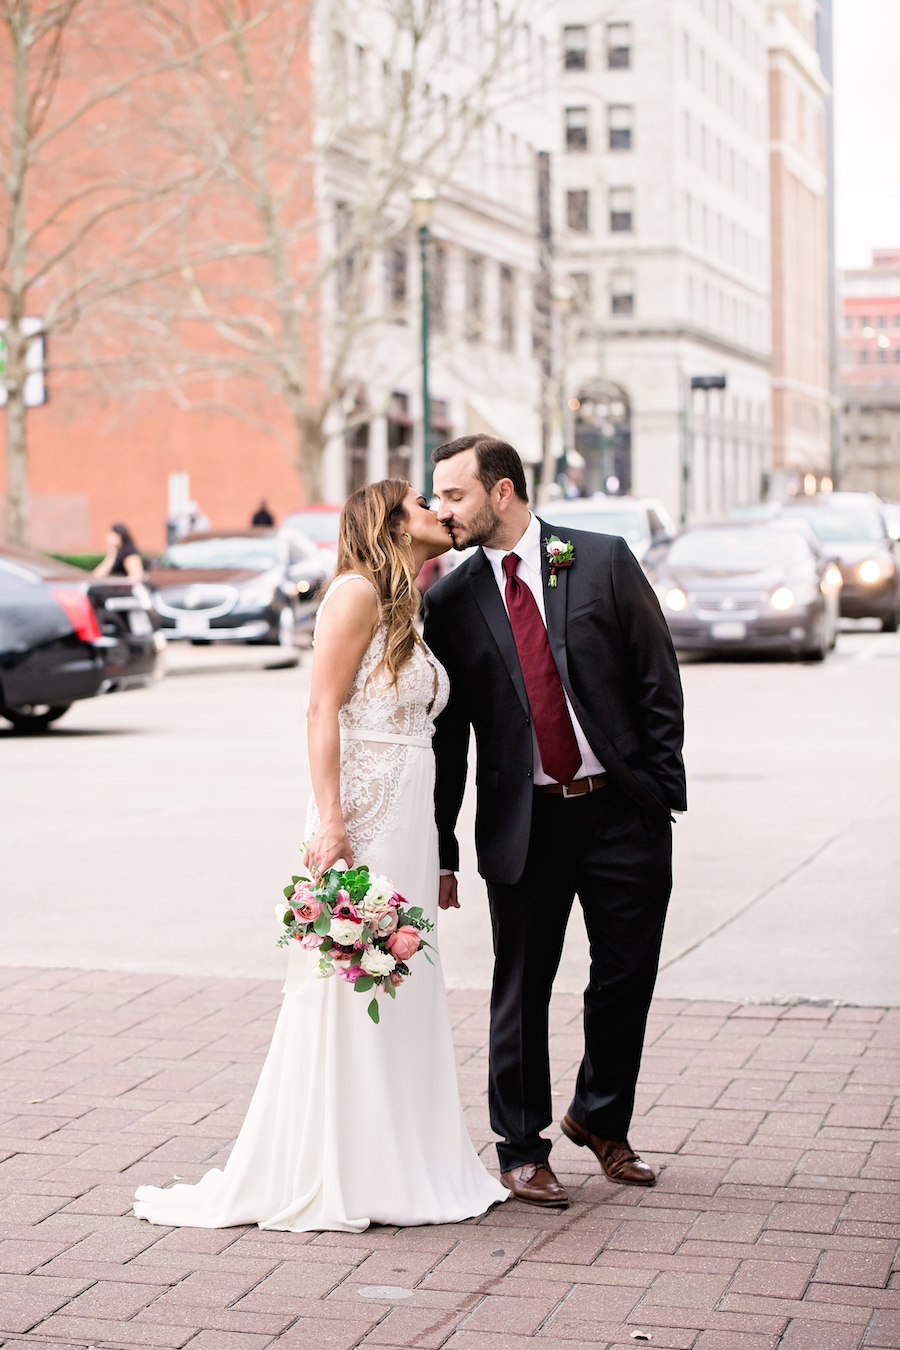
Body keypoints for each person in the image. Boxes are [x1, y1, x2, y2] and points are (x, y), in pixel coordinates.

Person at [134, 478, 507, 1233]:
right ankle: (343, 1162)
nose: (438, 513)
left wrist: (437, 850)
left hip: (407, 823)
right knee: (349, 982)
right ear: (391, 525)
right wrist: (333, 821)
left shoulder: (408, 607)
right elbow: (319, 708)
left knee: (401, 978)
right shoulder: (355, 593)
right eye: (422, 505)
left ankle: (404, 1153)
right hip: (363, 820)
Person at [423, 434, 686, 1208]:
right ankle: (522, 1146)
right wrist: (441, 844)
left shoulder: (601, 558)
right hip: (526, 822)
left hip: (621, 813)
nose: (444, 510)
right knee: (522, 986)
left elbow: (656, 676)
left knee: (625, 979)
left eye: (455, 494)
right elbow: (448, 742)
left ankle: (600, 1119)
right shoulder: (450, 598)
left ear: (502, 492)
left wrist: (659, 788)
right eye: (438, 496)